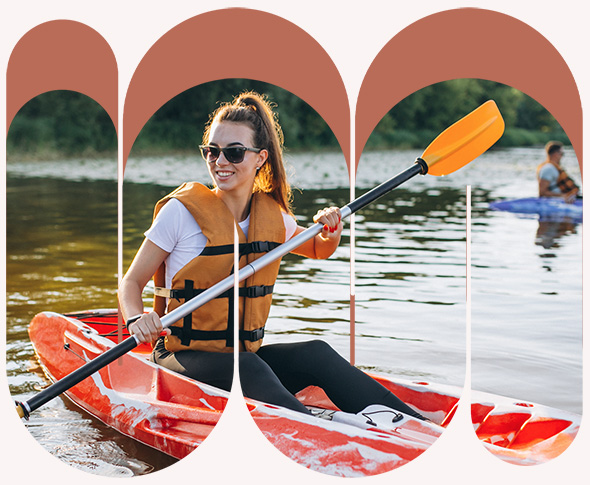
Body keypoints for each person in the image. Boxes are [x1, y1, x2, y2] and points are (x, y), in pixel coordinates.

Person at [118, 91, 424, 420]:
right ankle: (322, 436)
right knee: (247, 367)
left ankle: (416, 428)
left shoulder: (273, 216)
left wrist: (331, 230)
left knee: (316, 354)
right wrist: (137, 319)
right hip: (181, 358)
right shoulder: (180, 213)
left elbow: (319, 250)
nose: (220, 162)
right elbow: (131, 283)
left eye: (234, 153)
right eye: (212, 151)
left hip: (241, 359)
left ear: (260, 158)